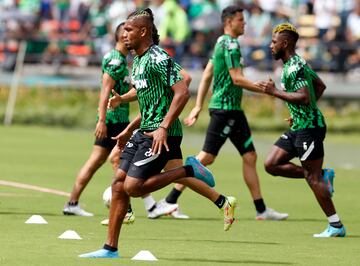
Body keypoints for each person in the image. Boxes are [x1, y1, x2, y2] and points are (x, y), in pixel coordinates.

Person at [79, 8, 237, 259]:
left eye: (128, 30)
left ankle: (190, 170)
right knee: (118, 184)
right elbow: (146, 99)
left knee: (134, 187)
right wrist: (127, 123)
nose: (124, 35)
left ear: (143, 31)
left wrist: (163, 127)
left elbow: (182, 90)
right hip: (145, 131)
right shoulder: (139, 60)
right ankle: (110, 249)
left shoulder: (158, 58)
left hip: (161, 134)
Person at [62, 21, 188, 223]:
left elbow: (145, 88)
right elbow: (105, 90)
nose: (128, 35)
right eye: (126, 31)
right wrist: (102, 119)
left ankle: (144, 206)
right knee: (109, 161)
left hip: (125, 120)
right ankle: (125, 207)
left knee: (123, 164)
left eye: (131, 30)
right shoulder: (117, 60)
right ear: (122, 36)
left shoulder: (130, 59)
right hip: (115, 120)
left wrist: (121, 100)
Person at [184, 5, 288, 221]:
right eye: (241, 20)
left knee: (250, 156)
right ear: (229, 22)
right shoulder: (230, 44)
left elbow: (207, 74)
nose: (245, 23)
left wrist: (198, 105)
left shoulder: (221, 43)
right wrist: (267, 90)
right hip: (225, 109)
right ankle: (170, 200)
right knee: (205, 159)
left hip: (232, 110)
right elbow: (237, 78)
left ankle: (261, 209)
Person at [259, 22, 346, 237]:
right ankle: (323, 175)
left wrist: (275, 92)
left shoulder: (294, 66)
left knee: (312, 179)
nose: (270, 46)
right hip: (300, 125)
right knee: (271, 164)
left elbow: (306, 96)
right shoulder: (296, 63)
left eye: (274, 42)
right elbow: (320, 87)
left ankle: (336, 225)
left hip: (310, 129)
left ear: (285, 43)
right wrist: (299, 113)